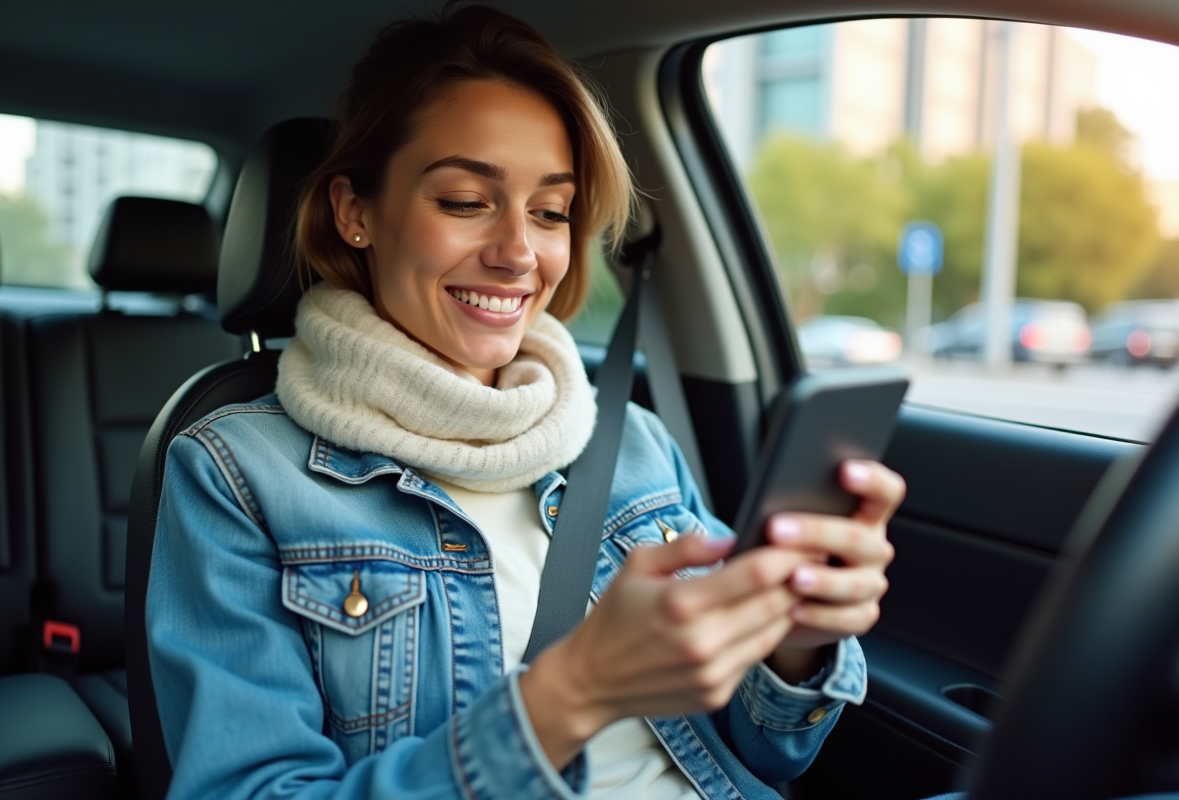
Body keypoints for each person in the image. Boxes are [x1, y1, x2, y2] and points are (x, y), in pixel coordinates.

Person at [146, 4, 903, 798]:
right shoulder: (233, 476)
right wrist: (565, 698)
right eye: (466, 201)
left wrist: (798, 642)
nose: (517, 254)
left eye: (550, 212)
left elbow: (763, 751)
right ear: (355, 212)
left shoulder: (633, 441)